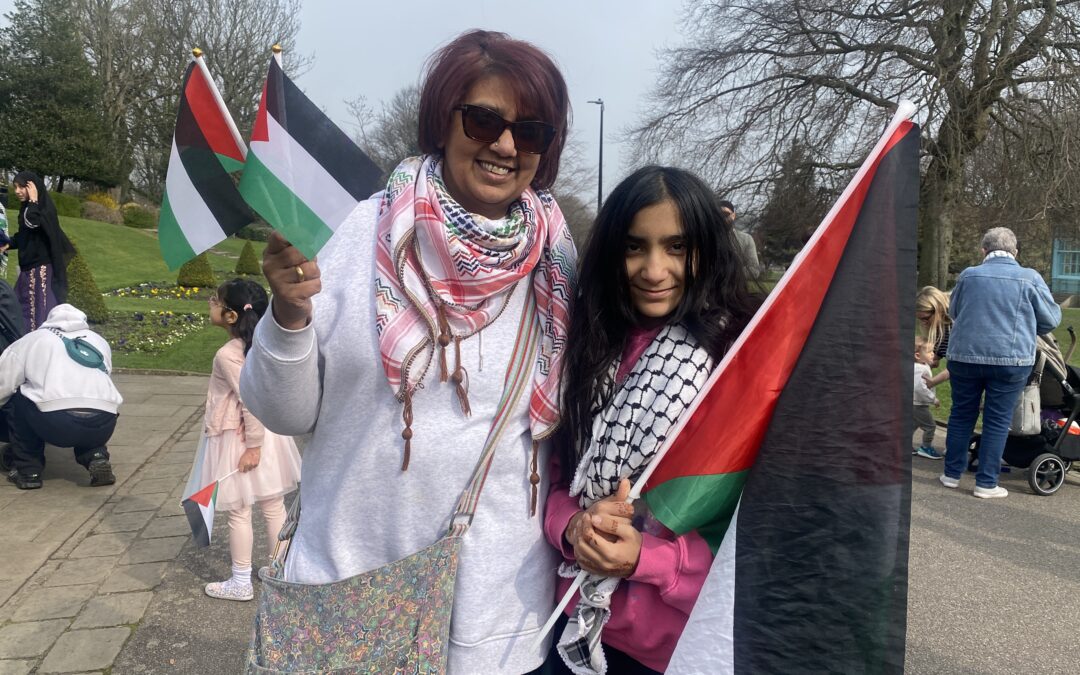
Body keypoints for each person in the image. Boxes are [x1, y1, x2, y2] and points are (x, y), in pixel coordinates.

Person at [239, 30, 576, 672]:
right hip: (348, 595)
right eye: (483, 120)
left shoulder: (557, 270)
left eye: (530, 131)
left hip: (494, 622)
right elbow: (286, 413)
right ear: (443, 121)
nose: (505, 146)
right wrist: (287, 314)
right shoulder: (357, 235)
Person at [544, 167, 760, 673]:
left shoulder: (740, 360)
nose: (654, 269)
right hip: (571, 619)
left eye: (678, 247)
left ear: (708, 248)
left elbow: (752, 521)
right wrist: (573, 527)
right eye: (635, 246)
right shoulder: (587, 344)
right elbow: (557, 473)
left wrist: (647, 560)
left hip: (675, 648)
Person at [186, 279, 301, 601]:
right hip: (269, 435)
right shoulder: (265, 345)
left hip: (243, 438)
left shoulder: (229, 354)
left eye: (215, 300)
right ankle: (279, 571)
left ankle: (240, 581)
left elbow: (249, 399)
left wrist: (253, 446)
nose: (210, 303)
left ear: (231, 316)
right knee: (273, 504)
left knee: (239, 509)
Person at [941, 227, 1061, 498]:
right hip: (1011, 359)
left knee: (961, 414)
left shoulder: (969, 276)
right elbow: (1051, 320)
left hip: (964, 356)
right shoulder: (1029, 278)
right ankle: (986, 483)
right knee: (997, 420)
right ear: (1015, 252)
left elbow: (954, 311)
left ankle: (951, 474)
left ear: (983, 251)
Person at [0, 303, 120, 490]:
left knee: (18, 399)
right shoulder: (98, 340)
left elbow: (4, 382)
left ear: (49, 321)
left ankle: (28, 471)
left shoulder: (33, 340)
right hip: (104, 421)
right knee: (90, 399)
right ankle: (96, 456)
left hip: (56, 422)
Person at [0, 172, 77, 331]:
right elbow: (25, 235)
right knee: (19, 309)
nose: (17, 191)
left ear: (33, 188)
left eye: (22, 187)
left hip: (39, 270)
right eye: (15, 187)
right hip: (28, 270)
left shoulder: (41, 209)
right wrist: (8, 244)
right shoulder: (28, 208)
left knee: (38, 314)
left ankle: (39, 349)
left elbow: (33, 224)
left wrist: (34, 200)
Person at [912, 336, 942, 460]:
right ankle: (926, 447)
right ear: (918, 355)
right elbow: (920, 388)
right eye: (929, 352)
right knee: (930, 426)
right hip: (918, 404)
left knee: (913, 425)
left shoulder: (919, 366)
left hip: (914, 403)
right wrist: (933, 399)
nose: (933, 354)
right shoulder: (920, 369)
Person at [916, 285, 951, 387]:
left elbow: (959, 365)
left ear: (938, 309)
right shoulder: (939, 327)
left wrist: (933, 381)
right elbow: (935, 357)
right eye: (920, 319)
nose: (924, 323)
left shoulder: (955, 326)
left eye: (926, 318)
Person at [719, 198, 761, 278]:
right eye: (719, 215)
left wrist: (728, 274)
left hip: (735, 288)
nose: (722, 218)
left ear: (733, 215)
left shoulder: (746, 239)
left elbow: (754, 270)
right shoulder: (706, 239)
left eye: (726, 214)